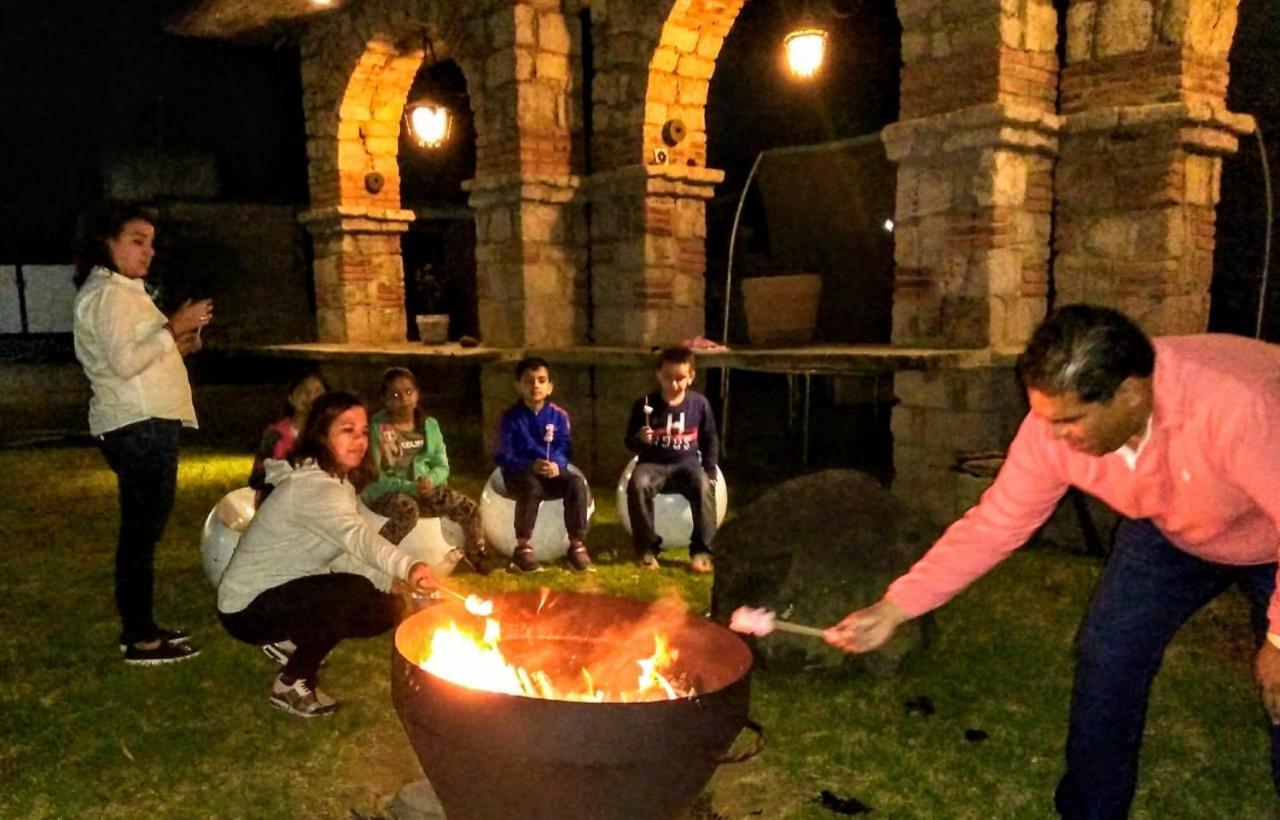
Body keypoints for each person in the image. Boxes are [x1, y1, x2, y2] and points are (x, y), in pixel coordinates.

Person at [825, 304, 1280, 817]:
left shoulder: (1242, 406)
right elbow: (996, 523)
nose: (1053, 437)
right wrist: (897, 606)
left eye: (1069, 422)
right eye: (1045, 419)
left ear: (1130, 394)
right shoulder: (1050, 429)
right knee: (1107, 653)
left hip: (1269, 530)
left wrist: (1278, 639)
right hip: (1172, 525)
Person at [217, 391, 438, 718]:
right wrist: (409, 567)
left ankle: (288, 637)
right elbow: (359, 538)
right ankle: (291, 683)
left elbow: (343, 552)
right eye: (347, 430)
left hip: (281, 593)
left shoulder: (337, 483)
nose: (360, 440)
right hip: (245, 608)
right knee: (347, 596)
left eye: (363, 431)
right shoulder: (313, 489)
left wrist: (393, 585)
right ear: (322, 434)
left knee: (383, 608)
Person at [72, 202, 213, 666]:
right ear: (106, 242)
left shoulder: (125, 292)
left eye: (151, 243)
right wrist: (174, 326)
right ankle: (140, 638)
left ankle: (142, 628)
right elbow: (125, 363)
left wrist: (179, 342)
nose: (148, 251)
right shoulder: (109, 294)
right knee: (139, 536)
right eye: (137, 240)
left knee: (142, 534)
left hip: (145, 422)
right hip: (137, 427)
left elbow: (139, 358)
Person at [362, 367, 492, 573]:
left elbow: (442, 465)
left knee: (468, 507)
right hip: (387, 492)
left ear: (417, 393)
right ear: (385, 399)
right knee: (407, 509)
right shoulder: (378, 428)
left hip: (424, 490)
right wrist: (411, 487)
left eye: (408, 392)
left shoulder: (429, 425)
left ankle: (476, 552)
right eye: (395, 395)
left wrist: (430, 480)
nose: (404, 400)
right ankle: (378, 555)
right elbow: (376, 474)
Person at [623, 345, 720, 573]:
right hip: (652, 463)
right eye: (668, 378)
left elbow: (710, 439)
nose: (674, 384)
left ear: (691, 377)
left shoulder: (699, 404)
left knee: (703, 485)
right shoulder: (644, 404)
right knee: (637, 484)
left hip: (686, 463)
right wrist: (640, 439)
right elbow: (628, 442)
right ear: (658, 374)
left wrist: (710, 470)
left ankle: (702, 550)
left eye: (680, 378)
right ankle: (646, 549)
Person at [494, 356, 592, 573]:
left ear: (550, 387)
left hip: (551, 472)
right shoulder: (510, 418)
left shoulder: (558, 415)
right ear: (518, 386)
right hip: (521, 474)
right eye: (529, 381)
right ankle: (522, 548)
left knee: (575, 483)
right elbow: (503, 454)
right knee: (532, 487)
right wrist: (530, 465)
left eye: (541, 380)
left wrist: (557, 464)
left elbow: (566, 447)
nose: (535, 386)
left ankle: (576, 544)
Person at [248, 372, 328, 505]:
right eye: (304, 391)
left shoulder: (329, 436)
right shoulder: (275, 435)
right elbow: (257, 478)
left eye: (318, 391)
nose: (311, 397)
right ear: (291, 398)